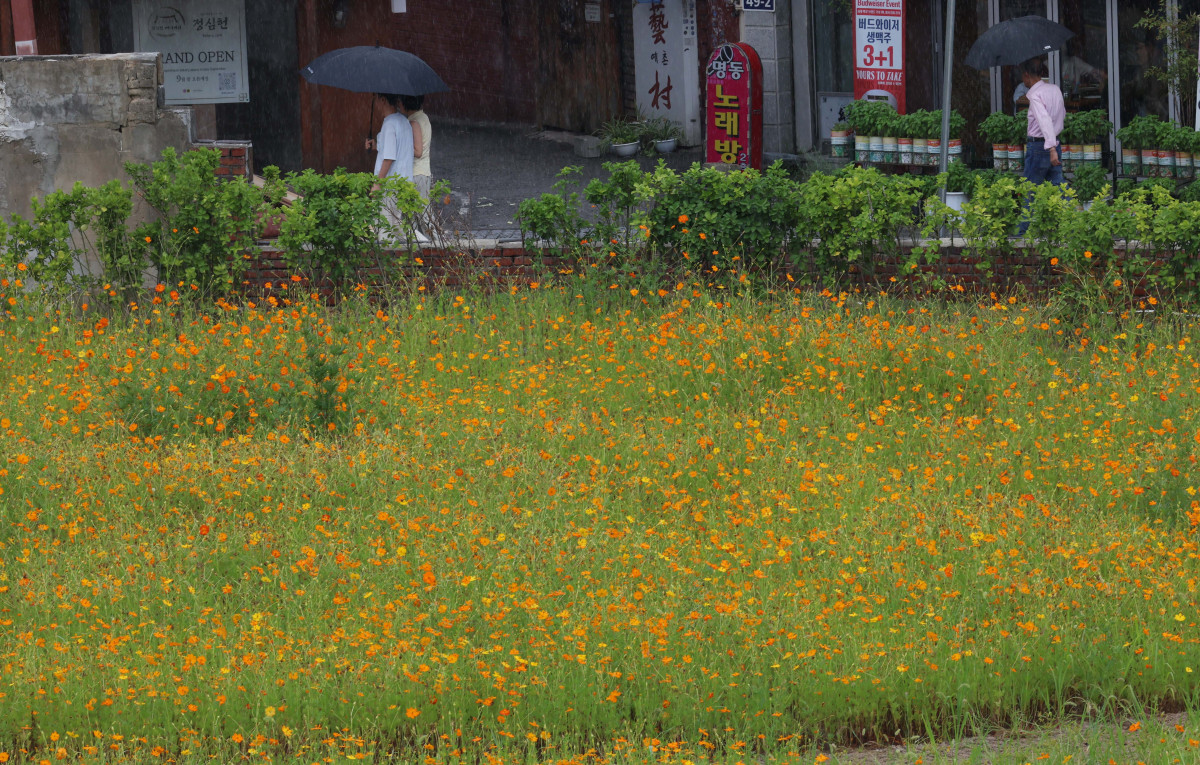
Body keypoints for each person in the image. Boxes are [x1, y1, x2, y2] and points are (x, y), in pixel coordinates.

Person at [1018, 57, 1065, 234]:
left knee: (1030, 192)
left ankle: (1021, 237)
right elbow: (1061, 114)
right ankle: (1071, 227)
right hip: (1054, 145)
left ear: (1027, 75)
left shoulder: (1034, 95)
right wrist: (1054, 145)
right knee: (1059, 190)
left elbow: (1044, 120)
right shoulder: (1055, 89)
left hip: (1040, 147)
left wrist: (1050, 147)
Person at [364, 92, 414, 244]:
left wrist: (378, 183)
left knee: (385, 232)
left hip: (389, 186)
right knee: (399, 230)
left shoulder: (389, 124)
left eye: (377, 100)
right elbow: (397, 149)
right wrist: (377, 146)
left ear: (383, 100)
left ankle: (388, 264)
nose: (376, 105)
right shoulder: (403, 121)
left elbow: (389, 157)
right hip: (404, 183)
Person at [399, 94, 432, 240]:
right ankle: (433, 248)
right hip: (423, 172)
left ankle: (437, 248)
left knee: (418, 218)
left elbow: (417, 151)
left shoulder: (413, 122)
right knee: (422, 216)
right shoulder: (423, 117)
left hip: (416, 173)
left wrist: (399, 147)